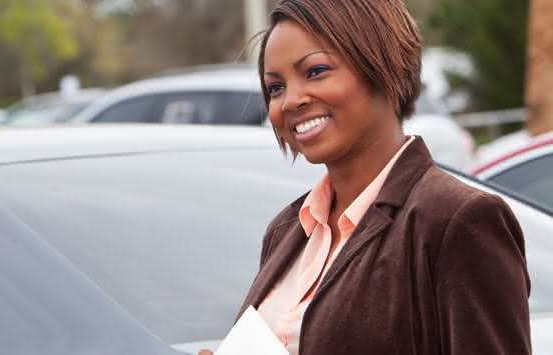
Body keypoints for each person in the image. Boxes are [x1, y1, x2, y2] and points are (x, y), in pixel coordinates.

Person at [202, 0, 531, 354]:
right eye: (275, 87)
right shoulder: (286, 231)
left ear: (381, 63)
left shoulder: (457, 220)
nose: (291, 100)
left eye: (315, 71)